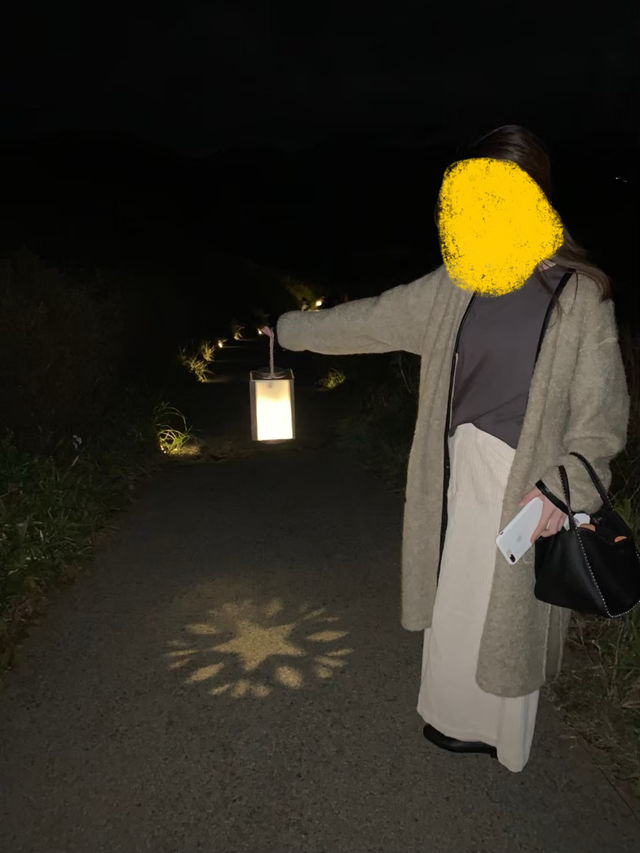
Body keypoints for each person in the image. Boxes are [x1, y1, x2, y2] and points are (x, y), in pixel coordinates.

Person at [276, 124, 630, 773]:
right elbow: (373, 318)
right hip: (459, 469)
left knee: (510, 616)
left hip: (531, 484)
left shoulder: (579, 296)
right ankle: (452, 717)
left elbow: (601, 421)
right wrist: (292, 330)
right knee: (458, 599)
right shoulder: (457, 283)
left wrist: (564, 489)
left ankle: (503, 736)